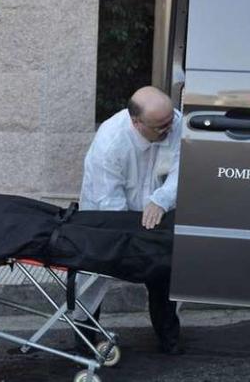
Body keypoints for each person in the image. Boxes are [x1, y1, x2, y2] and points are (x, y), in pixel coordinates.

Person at [74, 86, 184, 355]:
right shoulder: (110, 142)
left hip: (158, 209)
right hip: (109, 216)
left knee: (165, 270)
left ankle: (169, 336)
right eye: (161, 126)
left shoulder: (174, 122)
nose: (170, 128)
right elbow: (108, 200)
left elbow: (183, 168)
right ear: (136, 122)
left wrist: (161, 199)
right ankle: (85, 340)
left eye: (171, 120)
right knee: (92, 278)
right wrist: (131, 239)